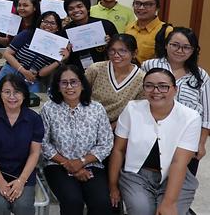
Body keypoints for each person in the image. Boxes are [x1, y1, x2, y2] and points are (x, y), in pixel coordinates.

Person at [108, 68, 201, 215]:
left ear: (175, 89)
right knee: (142, 211)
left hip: (175, 175)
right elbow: (119, 150)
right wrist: (113, 186)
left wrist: (169, 203)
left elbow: (179, 163)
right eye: (149, 85)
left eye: (163, 86)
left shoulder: (191, 117)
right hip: (137, 176)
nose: (155, 91)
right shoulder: (132, 109)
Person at [41, 64, 114, 215]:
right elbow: (43, 143)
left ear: (82, 84)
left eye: (74, 82)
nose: (69, 87)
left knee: (101, 202)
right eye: (64, 83)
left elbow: (105, 143)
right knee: (72, 201)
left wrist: (81, 162)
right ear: (58, 86)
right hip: (58, 165)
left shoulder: (97, 109)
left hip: (91, 165)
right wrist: (68, 164)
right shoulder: (49, 108)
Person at [142, 27, 209, 175]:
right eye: (175, 45)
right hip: (152, 132)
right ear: (166, 45)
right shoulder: (149, 66)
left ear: (193, 50)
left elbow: (207, 115)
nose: (180, 50)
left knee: (180, 184)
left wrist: (201, 143)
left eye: (186, 47)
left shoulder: (201, 75)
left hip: (186, 136)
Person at [0, 74, 44, 215]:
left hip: (23, 172)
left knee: (23, 207)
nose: (12, 97)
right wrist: (0, 180)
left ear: (24, 94)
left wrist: (21, 181)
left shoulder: (34, 119)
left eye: (17, 92)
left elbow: (35, 152)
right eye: (7, 92)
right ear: (0, 94)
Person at [0, 11, 69, 92]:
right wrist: (23, 71)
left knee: (33, 99)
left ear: (57, 27)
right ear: (40, 23)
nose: (48, 25)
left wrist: (59, 60)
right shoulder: (28, 34)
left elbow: (42, 73)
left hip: (31, 78)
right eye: (45, 22)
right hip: (12, 70)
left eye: (53, 23)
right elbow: (7, 54)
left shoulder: (58, 45)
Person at [85, 34, 145, 127]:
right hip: (86, 120)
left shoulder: (142, 79)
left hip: (119, 127)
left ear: (134, 53)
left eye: (122, 51)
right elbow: (80, 94)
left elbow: (137, 111)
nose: (116, 55)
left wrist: (111, 128)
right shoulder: (96, 69)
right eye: (112, 51)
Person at [63, 0, 118, 73]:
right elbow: (64, 59)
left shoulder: (105, 25)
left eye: (79, 6)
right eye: (71, 9)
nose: (76, 10)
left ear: (87, 8)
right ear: (68, 13)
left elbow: (119, 49)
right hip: (77, 73)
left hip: (105, 71)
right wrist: (67, 51)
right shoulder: (65, 31)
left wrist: (110, 44)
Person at [125, 0, 173, 64]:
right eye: (137, 3)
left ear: (157, 7)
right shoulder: (129, 27)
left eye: (147, 4)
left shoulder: (166, 31)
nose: (141, 8)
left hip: (151, 74)